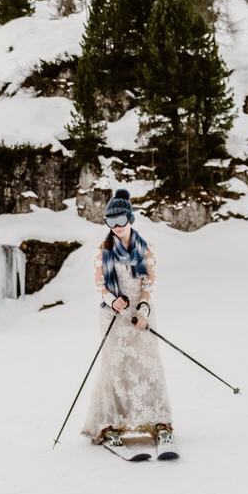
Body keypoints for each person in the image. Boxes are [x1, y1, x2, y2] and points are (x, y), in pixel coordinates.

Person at [80, 189, 175, 450]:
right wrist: (112, 300)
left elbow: (148, 283)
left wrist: (143, 310)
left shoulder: (145, 249)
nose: (116, 226)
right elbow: (100, 285)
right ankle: (111, 424)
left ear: (130, 218)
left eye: (121, 219)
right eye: (110, 221)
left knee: (148, 364)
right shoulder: (103, 250)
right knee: (115, 367)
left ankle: (160, 421)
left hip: (140, 314)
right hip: (113, 316)